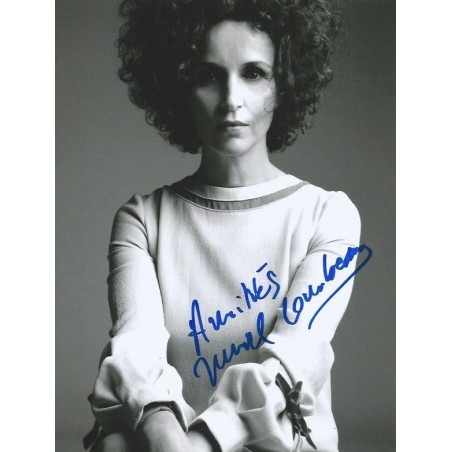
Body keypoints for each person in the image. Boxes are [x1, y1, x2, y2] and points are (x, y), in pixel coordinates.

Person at [84, 1, 361, 451]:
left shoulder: (328, 214)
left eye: (254, 73)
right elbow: (136, 347)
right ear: (179, 86)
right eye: (209, 75)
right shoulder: (143, 220)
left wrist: (201, 444)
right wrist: (163, 429)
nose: (232, 99)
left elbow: (293, 360)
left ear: (285, 83)